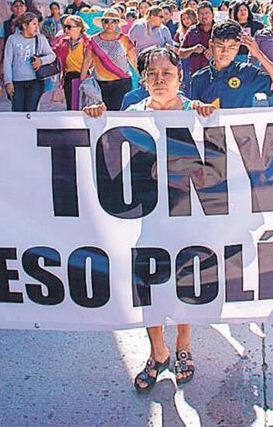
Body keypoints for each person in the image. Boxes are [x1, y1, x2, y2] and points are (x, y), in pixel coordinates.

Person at [82, 48, 214, 391]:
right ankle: (158, 351)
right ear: (142, 80)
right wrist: (98, 120)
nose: (159, 80)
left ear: (180, 78)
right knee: (147, 285)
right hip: (145, 220)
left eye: (167, 73)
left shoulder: (196, 112)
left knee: (185, 282)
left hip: (185, 217)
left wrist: (207, 117)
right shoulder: (131, 115)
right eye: (152, 74)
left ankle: (183, 343)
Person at [190, 20, 273, 108]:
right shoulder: (198, 78)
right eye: (220, 46)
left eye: (231, 48)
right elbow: (193, 112)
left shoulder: (247, 72)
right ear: (211, 45)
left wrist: (258, 54)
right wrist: (195, 105)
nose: (225, 52)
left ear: (238, 48)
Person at [81, 9, 137, 110]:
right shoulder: (93, 40)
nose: (109, 24)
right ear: (102, 23)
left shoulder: (125, 39)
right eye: (106, 21)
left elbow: (133, 60)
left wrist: (142, 77)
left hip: (122, 83)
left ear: (117, 23)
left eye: (113, 21)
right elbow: (86, 61)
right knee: (101, 112)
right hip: (100, 84)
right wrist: (82, 81)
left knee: (118, 113)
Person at [3, 12, 56, 112]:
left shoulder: (40, 39)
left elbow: (52, 56)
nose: (37, 27)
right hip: (17, 82)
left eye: (37, 24)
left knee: (32, 112)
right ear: (24, 25)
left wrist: (41, 61)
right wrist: (8, 82)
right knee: (17, 112)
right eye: (34, 24)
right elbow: (7, 61)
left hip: (35, 82)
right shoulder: (12, 39)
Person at [52, 15, 89, 110]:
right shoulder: (63, 42)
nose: (65, 30)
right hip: (68, 79)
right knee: (71, 108)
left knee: (83, 107)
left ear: (79, 28)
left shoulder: (87, 42)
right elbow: (53, 53)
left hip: (84, 78)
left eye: (69, 27)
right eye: (65, 26)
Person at [0, 0, 26, 86]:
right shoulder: (5, 25)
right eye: (16, 6)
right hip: (11, 64)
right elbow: (1, 48)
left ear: (25, 8)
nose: (19, 8)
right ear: (11, 8)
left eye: (21, 6)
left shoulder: (30, 23)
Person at [179, 1, 214, 77]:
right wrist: (193, 49)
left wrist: (213, 53)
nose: (204, 16)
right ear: (197, 16)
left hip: (215, 73)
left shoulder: (219, 30)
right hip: (196, 74)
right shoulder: (192, 30)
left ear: (213, 15)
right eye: (201, 14)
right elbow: (181, 53)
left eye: (207, 13)